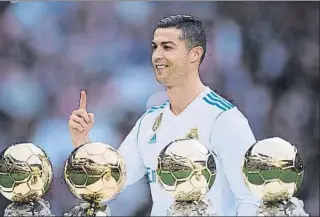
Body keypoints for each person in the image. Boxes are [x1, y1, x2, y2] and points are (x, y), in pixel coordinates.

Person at [67, 14, 260, 216]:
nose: (157, 55)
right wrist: (82, 143)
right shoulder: (149, 122)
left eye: (167, 47)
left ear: (194, 54)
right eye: (155, 47)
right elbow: (112, 182)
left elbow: (251, 199)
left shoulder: (224, 119)